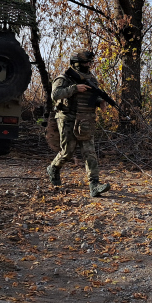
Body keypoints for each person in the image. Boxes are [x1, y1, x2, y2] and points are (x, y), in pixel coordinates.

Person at [45, 50, 111, 197]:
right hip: (67, 117)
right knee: (68, 151)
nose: (88, 65)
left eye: (89, 63)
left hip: (85, 119)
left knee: (90, 152)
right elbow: (55, 94)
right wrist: (74, 88)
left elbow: (93, 95)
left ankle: (94, 184)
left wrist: (100, 102)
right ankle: (54, 168)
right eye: (85, 63)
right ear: (75, 63)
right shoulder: (64, 78)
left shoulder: (91, 79)